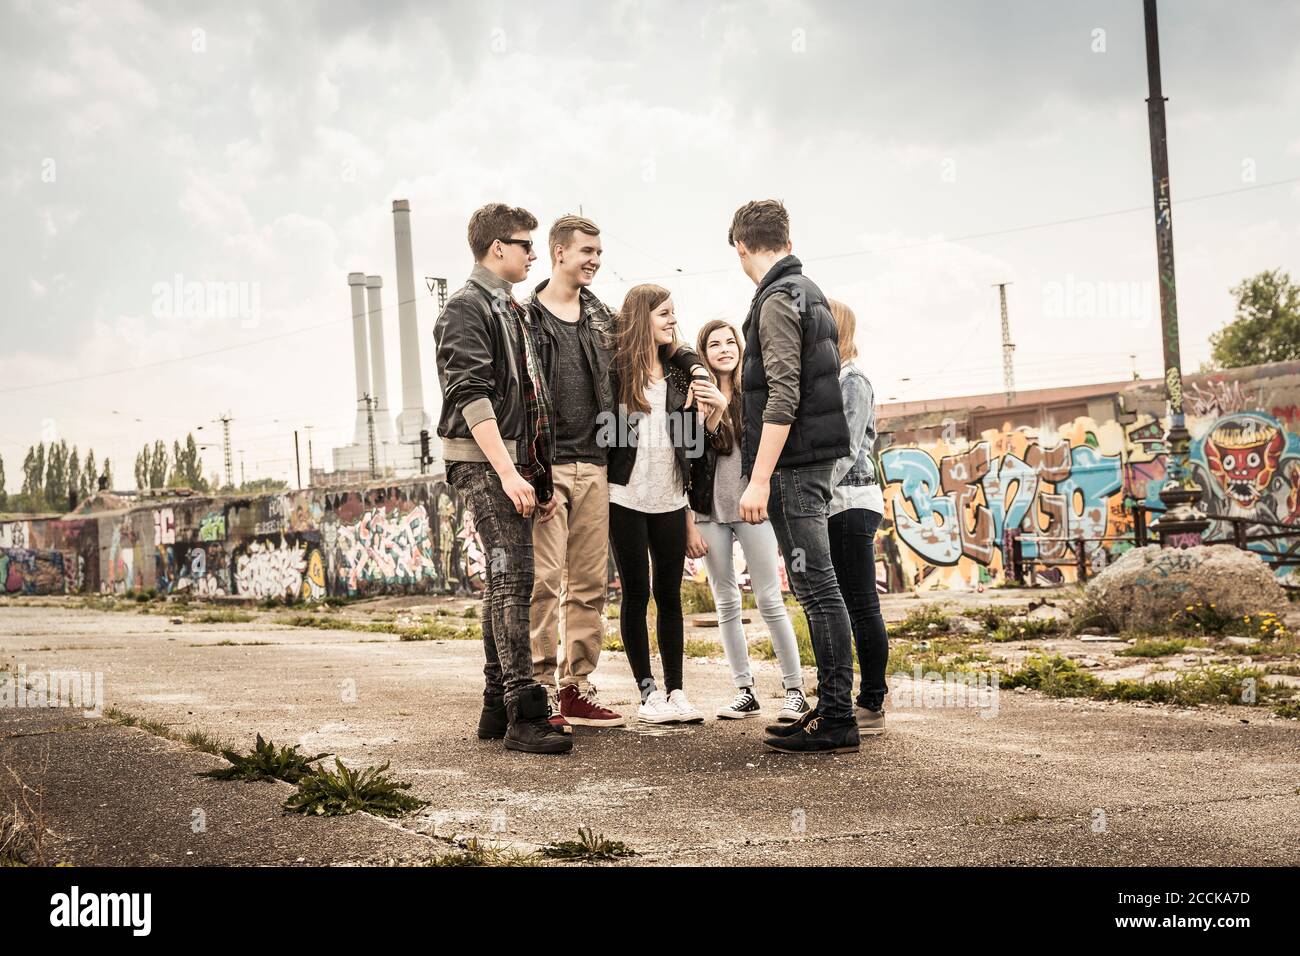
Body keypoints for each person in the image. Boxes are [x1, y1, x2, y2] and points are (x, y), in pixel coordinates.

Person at [433, 202, 571, 755]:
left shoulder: (510, 307)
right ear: (497, 249)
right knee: (513, 576)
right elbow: (471, 395)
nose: (533, 254)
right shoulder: (466, 309)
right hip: (483, 458)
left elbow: (530, 399)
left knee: (502, 579)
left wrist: (533, 470)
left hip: (513, 459)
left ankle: (497, 704)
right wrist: (509, 472)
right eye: (525, 244)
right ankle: (522, 714)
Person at [728, 199, 859, 754]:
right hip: (808, 460)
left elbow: (783, 393)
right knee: (817, 587)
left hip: (792, 466)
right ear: (786, 237)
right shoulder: (809, 292)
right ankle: (831, 710)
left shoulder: (778, 299)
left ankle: (836, 716)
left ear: (740, 246)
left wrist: (758, 479)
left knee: (818, 589)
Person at [524, 215, 626, 729]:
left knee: (588, 584)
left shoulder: (604, 318)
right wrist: (526, 470)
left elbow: (653, 350)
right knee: (544, 581)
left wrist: (694, 364)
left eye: (599, 252)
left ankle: (576, 687)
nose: (595, 260)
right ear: (558, 252)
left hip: (597, 463)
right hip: (548, 466)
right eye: (587, 250)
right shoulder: (524, 318)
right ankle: (539, 688)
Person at [687, 319, 810, 721]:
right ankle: (745, 690)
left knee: (769, 598)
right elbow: (691, 457)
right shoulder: (693, 397)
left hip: (753, 508)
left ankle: (795, 691)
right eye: (714, 344)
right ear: (703, 355)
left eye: (730, 342)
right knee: (725, 601)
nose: (724, 349)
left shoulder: (756, 394)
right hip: (709, 510)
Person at [606, 284, 714, 724]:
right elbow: (607, 442)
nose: (672, 320)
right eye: (664, 314)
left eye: (674, 314)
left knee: (670, 595)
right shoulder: (616, 375)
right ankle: (647, 693)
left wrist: (689, 516)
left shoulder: (680, 374)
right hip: (624, 499)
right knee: (636, 593)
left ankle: (676, 691)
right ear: (642, 318)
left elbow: (690, 449)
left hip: (671, 500)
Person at [825, 299, 890, 734]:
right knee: (848, 604)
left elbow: (846, 449)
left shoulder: (853, 380)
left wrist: (815, 491)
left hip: (850, 502)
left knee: (862, 603)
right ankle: (855, 700)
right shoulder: (834, 378)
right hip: (837, 502)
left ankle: (871, 703)